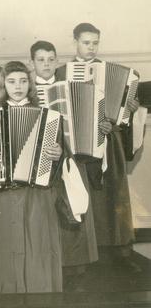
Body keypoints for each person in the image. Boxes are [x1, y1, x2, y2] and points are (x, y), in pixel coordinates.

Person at [56, 23, 142, 273]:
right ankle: (86, 254)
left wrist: (128, 109)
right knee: (83, 194)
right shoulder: (63, 72)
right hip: (77, 142)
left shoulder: (113, 72)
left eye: (95, 43)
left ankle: (119, 251)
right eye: (86, 42)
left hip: (108, 140)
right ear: (75, 42)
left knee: (113, 192)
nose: (91, 48)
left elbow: (122, 117)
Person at [0, 61, 64, 293]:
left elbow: (62, 155)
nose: (18, 86)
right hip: (3, 194)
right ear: (4, 85)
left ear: (30, 85)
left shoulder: (49, 117)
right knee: (6, 247)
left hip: (37, 194)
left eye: (23, 81)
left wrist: (58, 153)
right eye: (12, 81)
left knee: (37, 247)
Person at [30, 40, 98, 290]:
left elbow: (86, 118)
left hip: (69, 158)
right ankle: (46, 267)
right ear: (32, 62)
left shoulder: (69, 87)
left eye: (50, 59)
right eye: (40, 60)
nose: (46, 64)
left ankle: (75, 270)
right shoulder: (28, 90)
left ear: (57, 61)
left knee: (72, 209)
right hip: (42, 160)